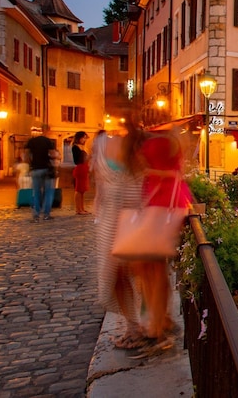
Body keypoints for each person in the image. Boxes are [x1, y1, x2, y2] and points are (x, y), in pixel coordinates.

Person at [133, 129, 193, 356]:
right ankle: (161, 323)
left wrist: (148, 169)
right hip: (164, 205)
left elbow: (173, 171)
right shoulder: (169, 137)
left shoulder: (163, 139)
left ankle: (157, 330)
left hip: (163, 206)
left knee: (152, 266)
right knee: (152, 266)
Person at [92, 120, 145, 351]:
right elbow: (100, 185)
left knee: (130, 276)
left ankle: (138, 327)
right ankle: (133, 326)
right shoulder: (103, 144)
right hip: (112, 221)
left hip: (129, 219)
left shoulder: (135, 145)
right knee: (118, 278)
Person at [26, 124, 60, 222]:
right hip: (47, 169)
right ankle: (46, 214)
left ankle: (36, 215)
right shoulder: (48, 141)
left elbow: (26, 156)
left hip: (35, 169)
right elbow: (53, 154)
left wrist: (31, 165)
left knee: (36, 192)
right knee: (48, 192)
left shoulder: (31, 141)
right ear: (47, 131)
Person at [71, 131, 92, 215]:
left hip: (84, 168)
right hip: (80, 168)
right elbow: (77, 160)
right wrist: (87, 157)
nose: (84, 139)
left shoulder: (82, 147)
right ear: (79, 138)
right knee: (78, 189)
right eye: (83, 137)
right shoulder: (75, 147)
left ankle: (82, 208)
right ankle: (78, 209)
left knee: (82, 190)